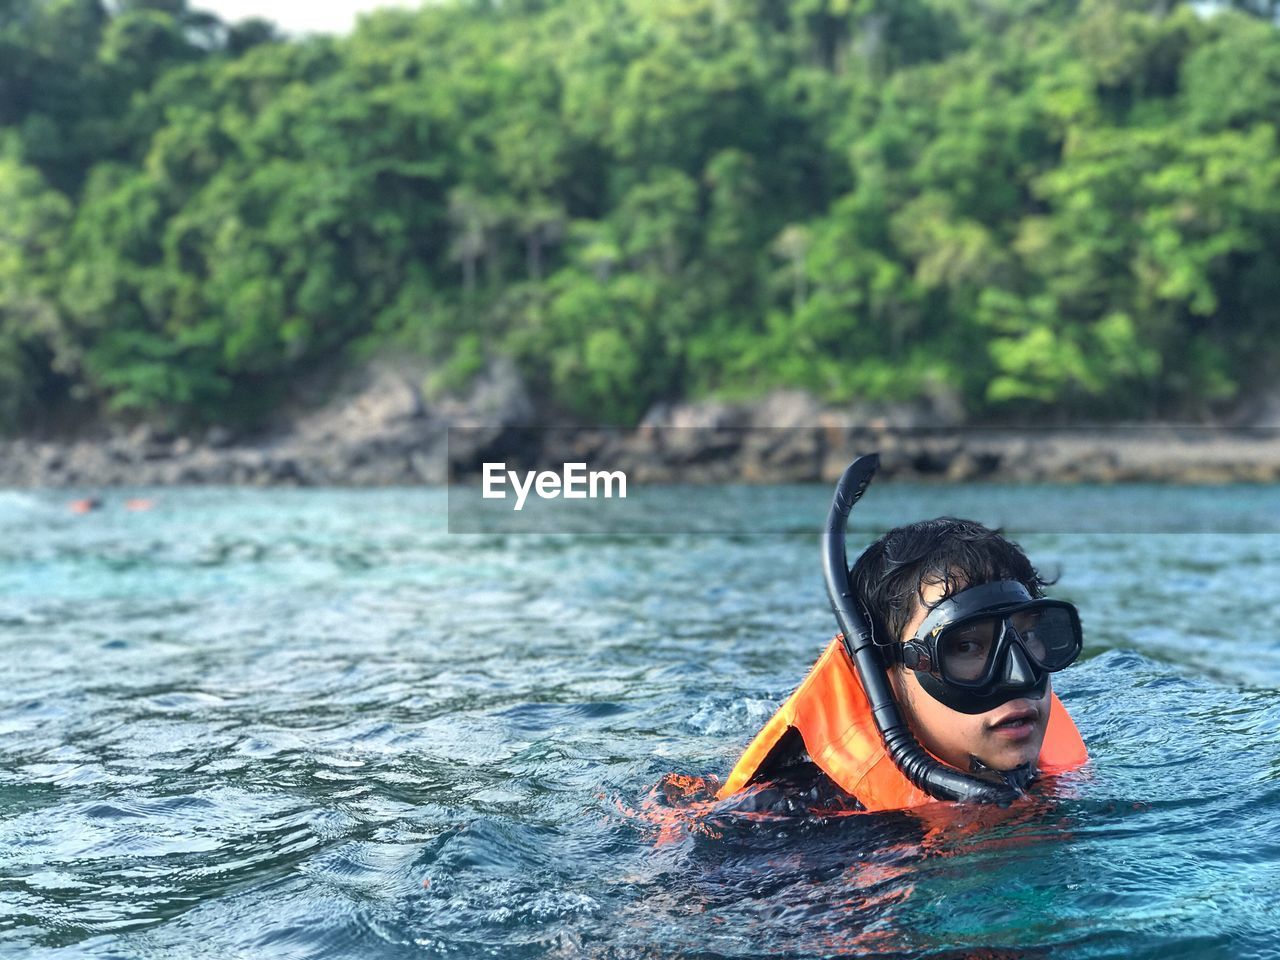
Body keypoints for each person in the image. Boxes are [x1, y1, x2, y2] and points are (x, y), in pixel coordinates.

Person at [717, 458, 1088, 814]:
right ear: (884, 677)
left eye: (1027, 637)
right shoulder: (788, 823)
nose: (1020, 675)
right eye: (965, 646)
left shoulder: (1056, 778)